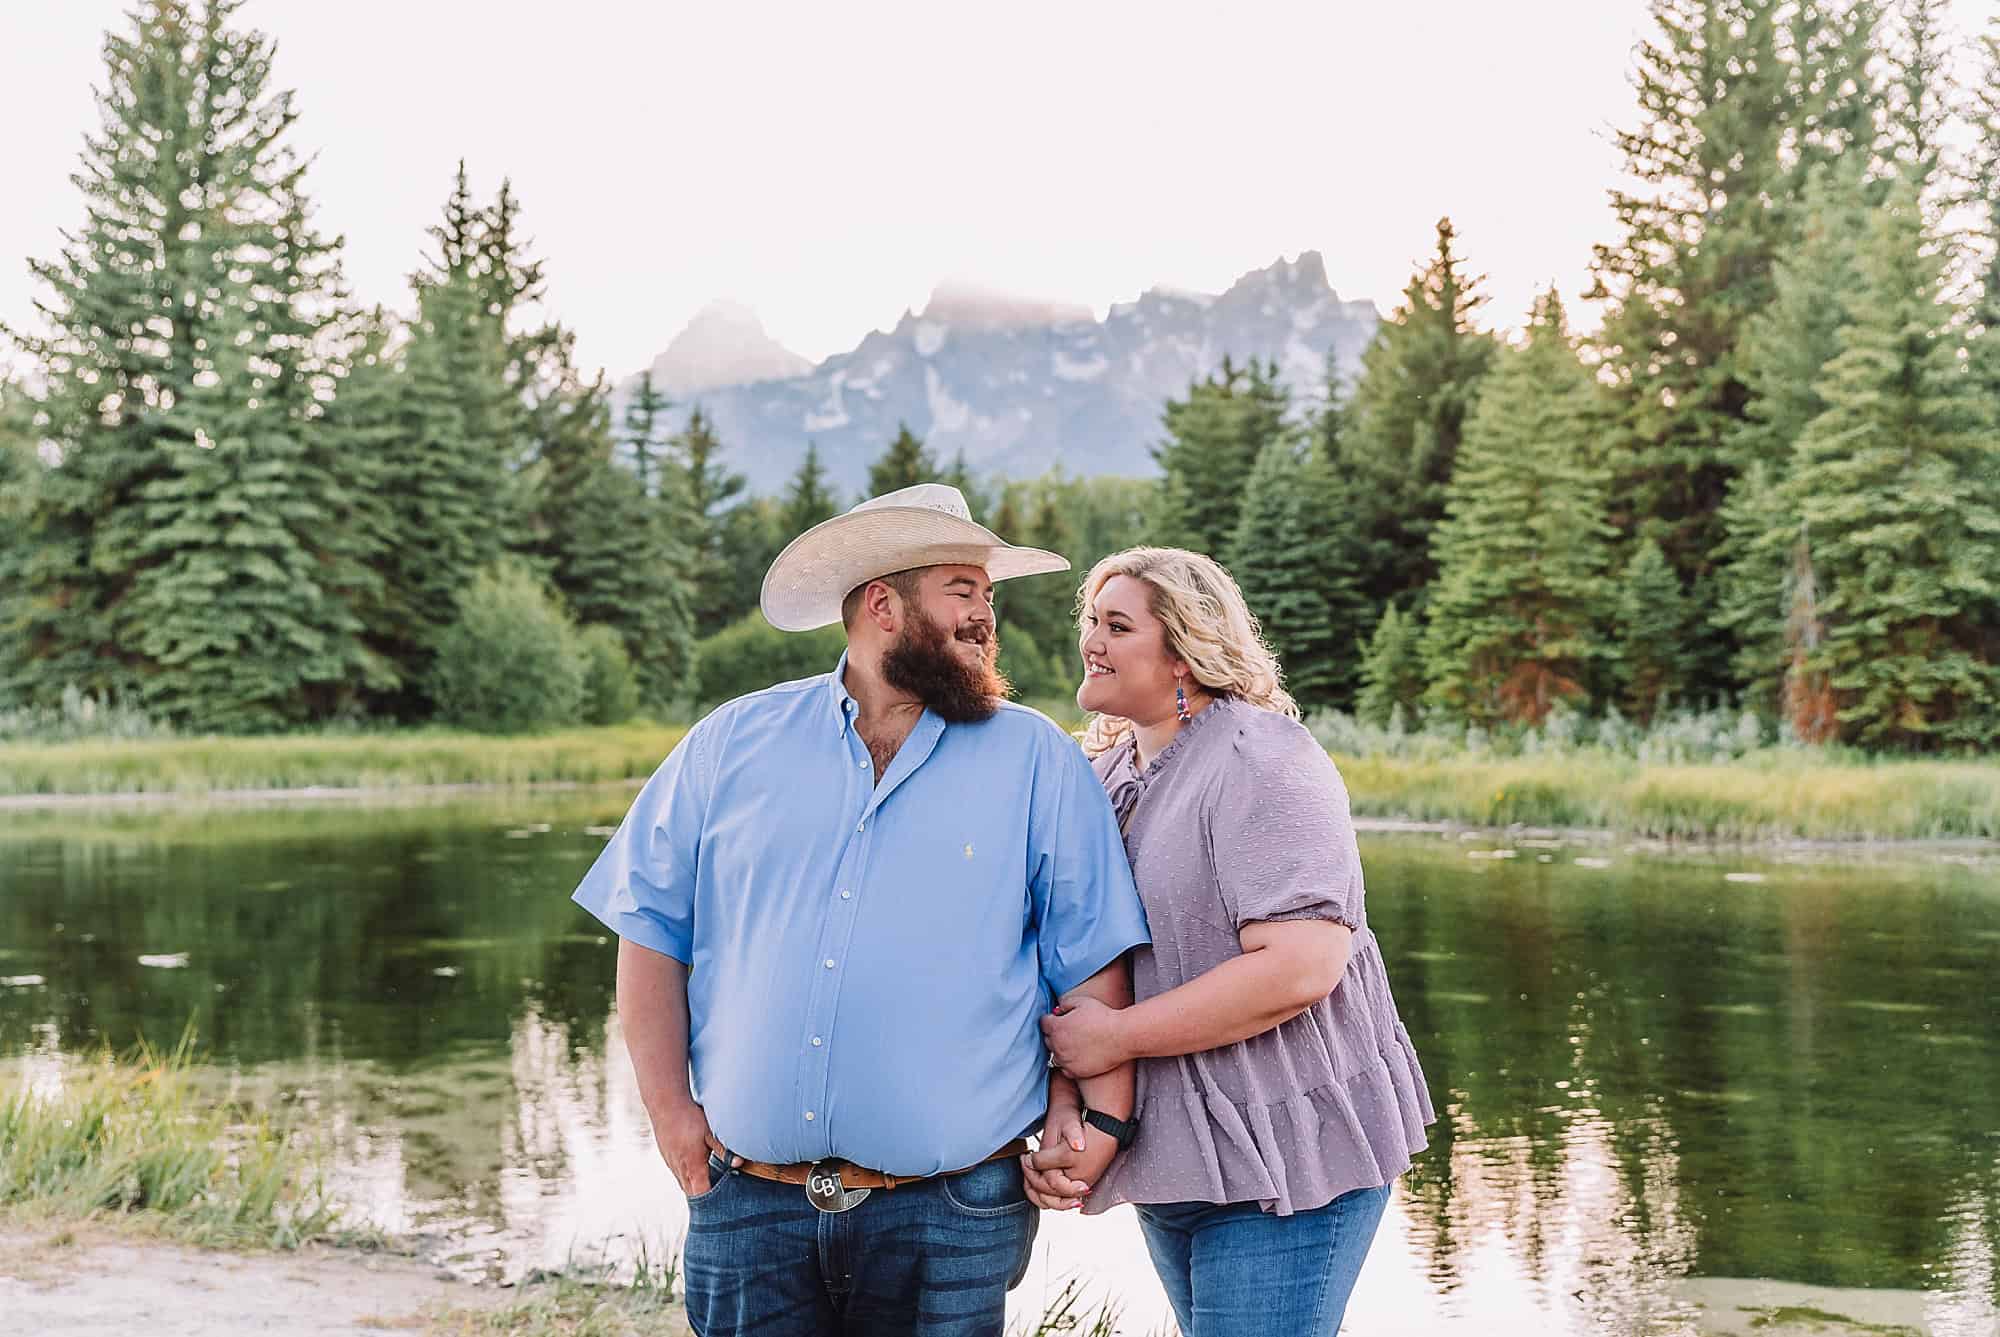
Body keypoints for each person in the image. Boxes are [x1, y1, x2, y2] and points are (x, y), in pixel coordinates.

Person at [569, 484, 1151, 1337]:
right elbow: (650, 932)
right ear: (883, 604)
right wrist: (671, 1118)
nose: (985, 615)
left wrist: (1096, 1118)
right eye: (962, 590)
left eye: (987, 595)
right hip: (748, 1206)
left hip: (953, 1212)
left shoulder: (1039, 760)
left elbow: (1094, 971)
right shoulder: (730, 743)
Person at [1027, 546, 1435, 1337]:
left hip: (1291, 1156)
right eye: (1090, 621)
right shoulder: (1108, 773)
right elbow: (1083, 961)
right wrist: (1073, 1106)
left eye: (1117, 625)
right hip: (1181, 1157)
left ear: (1183, 649)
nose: (1092, 641)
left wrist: (1114, 1037)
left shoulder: (1259, 756)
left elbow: (1300, 966)